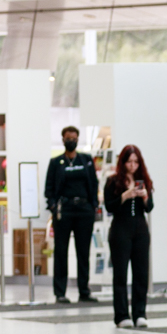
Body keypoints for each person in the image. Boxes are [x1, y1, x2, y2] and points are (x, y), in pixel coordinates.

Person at [44, 125, 100, 304]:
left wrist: (93, 206)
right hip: (64, 211)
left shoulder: (86, 160)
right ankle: (60, 292)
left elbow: (94, 183)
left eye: (74, 138)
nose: (72, 141)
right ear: (63, 139)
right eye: (69, 138)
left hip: (84, 210)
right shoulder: (56, 163)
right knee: (61, 252)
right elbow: (49, 188)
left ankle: (84, 290)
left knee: (83, 252)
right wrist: (53, 206)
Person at [104, 144, 153, 328]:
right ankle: (122, 315)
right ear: (123, 162)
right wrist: (125, 195)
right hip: (120, 230)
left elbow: (149, 208)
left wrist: (145, 197)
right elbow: (109, 207)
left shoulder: (144, 180)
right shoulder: (113, 181)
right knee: (121, 274)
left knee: (141, 273)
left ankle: (140, 313)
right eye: (129, 162)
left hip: (140, 230)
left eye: (135, 162)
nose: (132, 166)